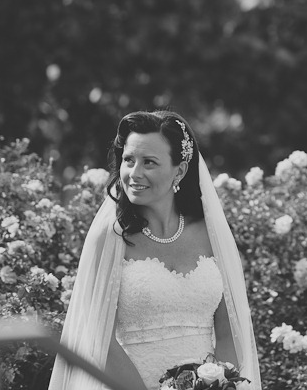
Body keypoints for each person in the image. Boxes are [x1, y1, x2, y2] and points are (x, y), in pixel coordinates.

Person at [48, 110, 262, 390]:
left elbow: (228, 334)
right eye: (128, 160)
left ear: (180, 170)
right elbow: (100, 340)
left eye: (149, 162)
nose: (134, 173)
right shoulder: (109, 236)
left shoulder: (211, 234)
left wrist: (218, 385)